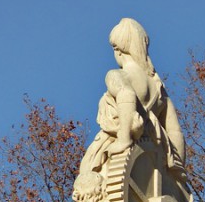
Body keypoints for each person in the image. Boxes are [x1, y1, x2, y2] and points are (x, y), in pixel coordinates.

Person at [80, 18, 186, 180]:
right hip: (151, 161)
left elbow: (126, 94)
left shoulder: (117, 75)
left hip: (121, 158)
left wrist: (124, 139)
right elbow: (175, 131)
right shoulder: (158, 88)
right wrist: (177, 172)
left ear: (118, 49)